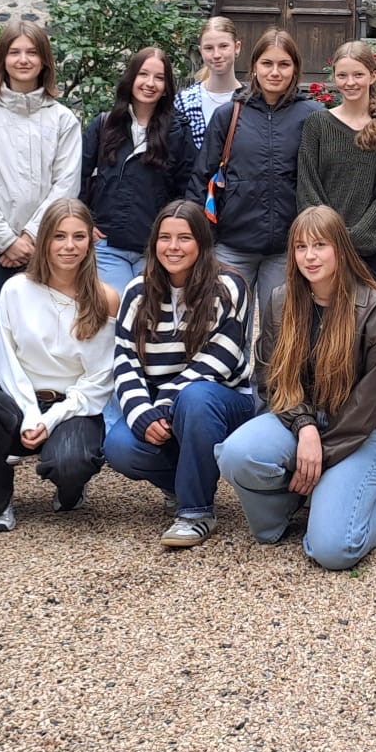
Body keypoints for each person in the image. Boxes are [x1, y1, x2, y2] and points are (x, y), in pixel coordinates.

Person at [217, 205, 376, 570]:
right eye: (301, 247)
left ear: (341, 249)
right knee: (237, 454)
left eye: (320, 245)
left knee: (334, 550)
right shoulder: (281, 300)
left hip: (355, 430)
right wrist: (304, 428)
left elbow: (370, 406)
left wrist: (319, 458)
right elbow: (270, 378)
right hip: (297, 419)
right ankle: (289, 508)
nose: (310, 256)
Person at [0, 198, 119, 532]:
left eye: (78, 236)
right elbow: (7, 361)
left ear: (90, 241)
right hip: (20, 403)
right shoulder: (16, 290)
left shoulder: (105, 298)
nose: (69, 246)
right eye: (59, 236)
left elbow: (99, 378)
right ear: (44, 239)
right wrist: (32, 415)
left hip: (73, 408)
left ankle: (71, 487)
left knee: (70, 462)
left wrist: (51, 418)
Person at [104, 201, 254, 549]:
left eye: (184, 238)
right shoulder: (137, 291)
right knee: (119, 446)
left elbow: (218, 360)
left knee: (195, 397)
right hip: (163, 408)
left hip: (222, 401)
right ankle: (184, 481)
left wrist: (165, 405)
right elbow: (124, 360)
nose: (173, 247)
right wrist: (142, 413)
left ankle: (196, 512)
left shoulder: (229, 286)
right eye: (165, 238)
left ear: (202, 242)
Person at [0, 19, 83, 390]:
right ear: (3, 59)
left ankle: (43, 410)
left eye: (32, 52)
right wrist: (6, 239)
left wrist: (30, 236)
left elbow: (66, 184)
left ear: (44, 60)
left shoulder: (63, 119)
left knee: (41, 332)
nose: (23, 59)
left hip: (47, 243)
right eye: (15, 52)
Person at [187, 30, 321, 309]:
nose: (275, 72)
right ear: (254, 67)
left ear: (295, 68)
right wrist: (202, 236)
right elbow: (202, 177)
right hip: (232, 245)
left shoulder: (312, 115)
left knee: (280, 327)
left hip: (287, 247)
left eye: (284, 64)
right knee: (226, 325)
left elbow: (324, 178)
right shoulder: (229, 114)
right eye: (267, 63)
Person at [296, 40, 376, 288]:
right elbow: (307, 186)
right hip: (321, 253)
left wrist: (352, 240)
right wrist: (327, 239)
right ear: (334, 77)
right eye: (342, 75)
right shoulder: (317, 124)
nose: (350, 82)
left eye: (358, 74)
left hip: (370, 253)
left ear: (373, 76)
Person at [83, 46, 192, 295]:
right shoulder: (104, 125)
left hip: (155, 251)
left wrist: (174, 237)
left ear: (167, 87)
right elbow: (78, 176)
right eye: (143, 74)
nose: (150, 83)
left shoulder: (177, 132)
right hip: (108, 246)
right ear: (131, 78)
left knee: (149, 312)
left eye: (159, 77)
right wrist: (85, 221)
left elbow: (188, 189)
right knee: (116, 309)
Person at [176, 16, 244, 151]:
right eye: (209, 48)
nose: (216, 54)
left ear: (237, 47)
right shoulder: (184, 102)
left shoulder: (251, 100)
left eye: (223, 46)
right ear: (200, 51)